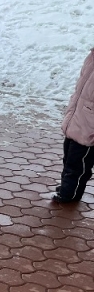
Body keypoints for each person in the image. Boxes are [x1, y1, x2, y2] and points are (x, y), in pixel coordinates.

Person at [53, 49, 94, 204]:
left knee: (78, 164)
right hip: (77, 118)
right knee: (69, 159)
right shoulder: (91, 57)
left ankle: (70, 193)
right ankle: (67, 187)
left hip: (89, 127)